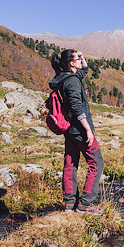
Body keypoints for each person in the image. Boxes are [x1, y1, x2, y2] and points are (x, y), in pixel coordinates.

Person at [49, 49, 104, 212]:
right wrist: (87, 129)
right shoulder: (72, 81)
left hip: (69, 130)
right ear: (71, 63)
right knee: (97, 162)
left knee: (70, 163)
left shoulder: (65, 78)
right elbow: (76, 107)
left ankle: (69, 202)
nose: (81, 60)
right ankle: (86, 204)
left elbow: (84, 70)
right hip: (80, 129)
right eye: (77, 59)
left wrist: (83, 58)